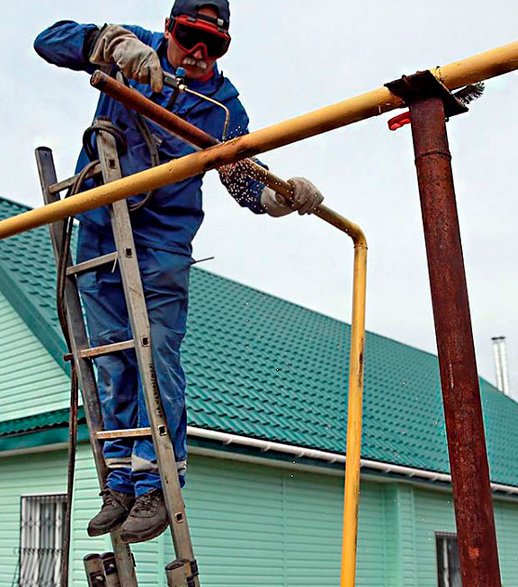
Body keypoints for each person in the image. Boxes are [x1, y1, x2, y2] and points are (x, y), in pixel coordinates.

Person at [34, 0, 324, 544]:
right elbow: (48, 40)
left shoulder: (222, 107)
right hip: (101, 221)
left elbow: (241, 178)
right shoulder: (132, 48)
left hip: (162, 239)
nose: (197, 53)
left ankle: (157, 482)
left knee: (154, 349)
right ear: (169, 28)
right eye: (189, 37)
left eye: (212, 45)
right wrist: (107, 45)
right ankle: (120, 478)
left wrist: (277, 196)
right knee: (113, 353)